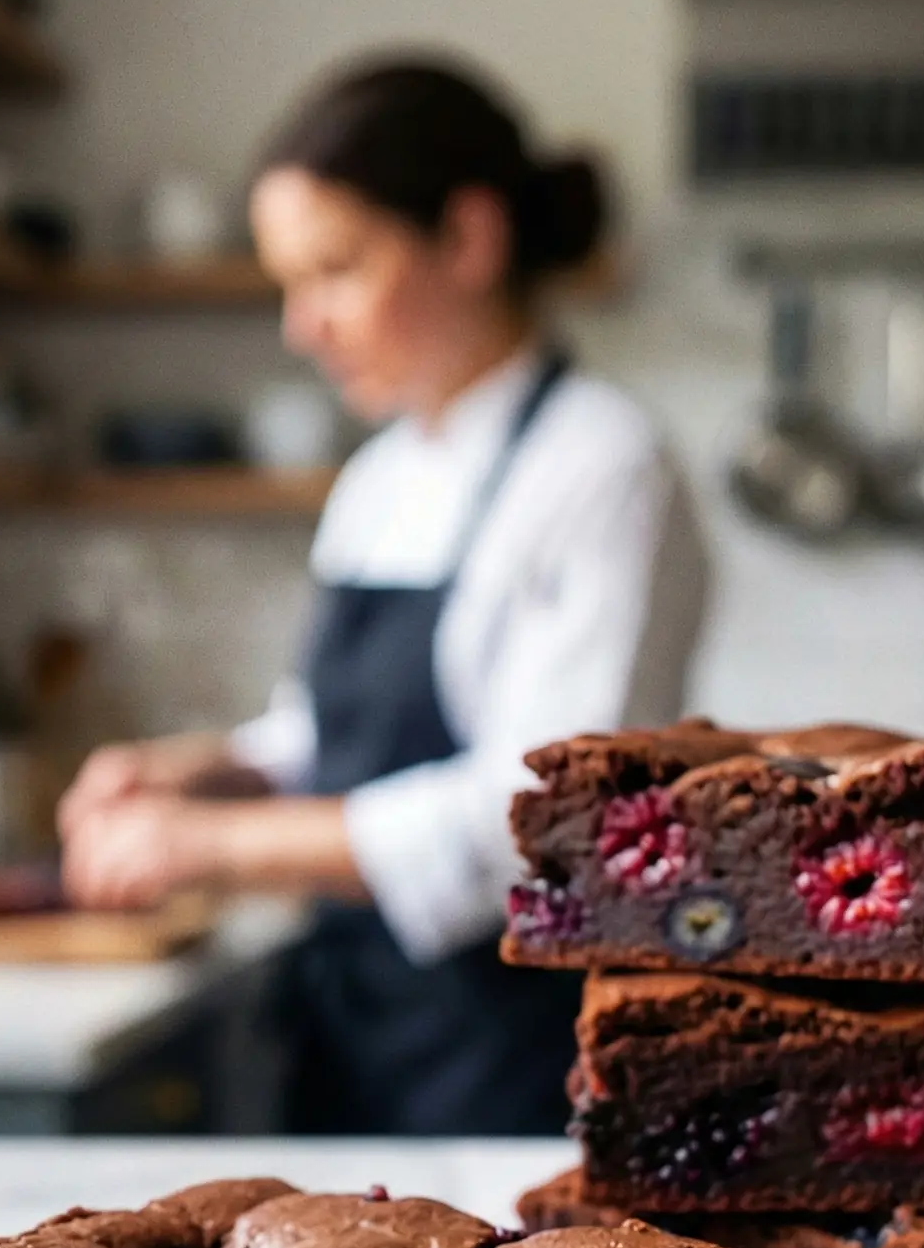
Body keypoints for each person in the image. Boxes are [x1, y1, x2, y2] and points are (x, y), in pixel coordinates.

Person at [59, 57, 709, 1135]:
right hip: (350, 1033)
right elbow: (328, 732)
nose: (298, 325)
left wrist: (209, 847)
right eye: (285, 283)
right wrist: (200, 771)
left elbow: (541, 815)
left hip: (510, 1058)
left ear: (466, 238)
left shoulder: (603, 464)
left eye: (334, 269)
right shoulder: (380, 475)